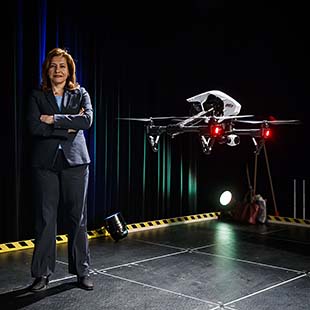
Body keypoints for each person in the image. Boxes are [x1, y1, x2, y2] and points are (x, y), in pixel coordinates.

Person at [27, 47, 94, 291]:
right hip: (45, 163)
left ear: (69, 70)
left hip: (76, 161)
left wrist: (53, 118)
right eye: (54, 65)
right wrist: (68, 124)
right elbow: (34, 127)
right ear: (48, 69)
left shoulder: (81, 93)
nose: (58, 70)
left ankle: (82, 271)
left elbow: (86, 121)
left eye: (62, 66)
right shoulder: (37, 95)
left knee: (78, 218)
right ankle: (42, 275)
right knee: (46, 220)